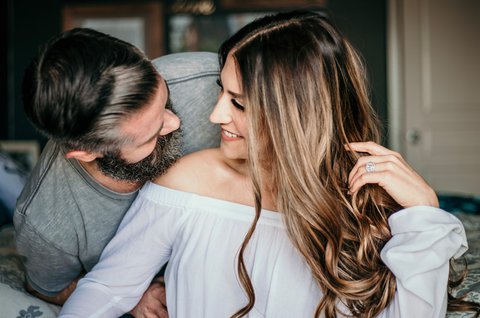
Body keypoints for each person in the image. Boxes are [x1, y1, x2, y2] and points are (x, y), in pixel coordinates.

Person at [60, 11, 469, 318]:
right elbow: (107, 288)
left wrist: (422, 214)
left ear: (297, 113)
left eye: (238, 102)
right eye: (222, 91)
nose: (216, 115)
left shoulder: (361, 198)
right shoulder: (187, 182)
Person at [13, 27, 220, 316]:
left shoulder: (212, 79)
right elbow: (47, 288)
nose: (174, 122)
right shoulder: (47, 224)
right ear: (86, 153)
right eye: (151, 133)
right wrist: (133, 297)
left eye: (166, 102)